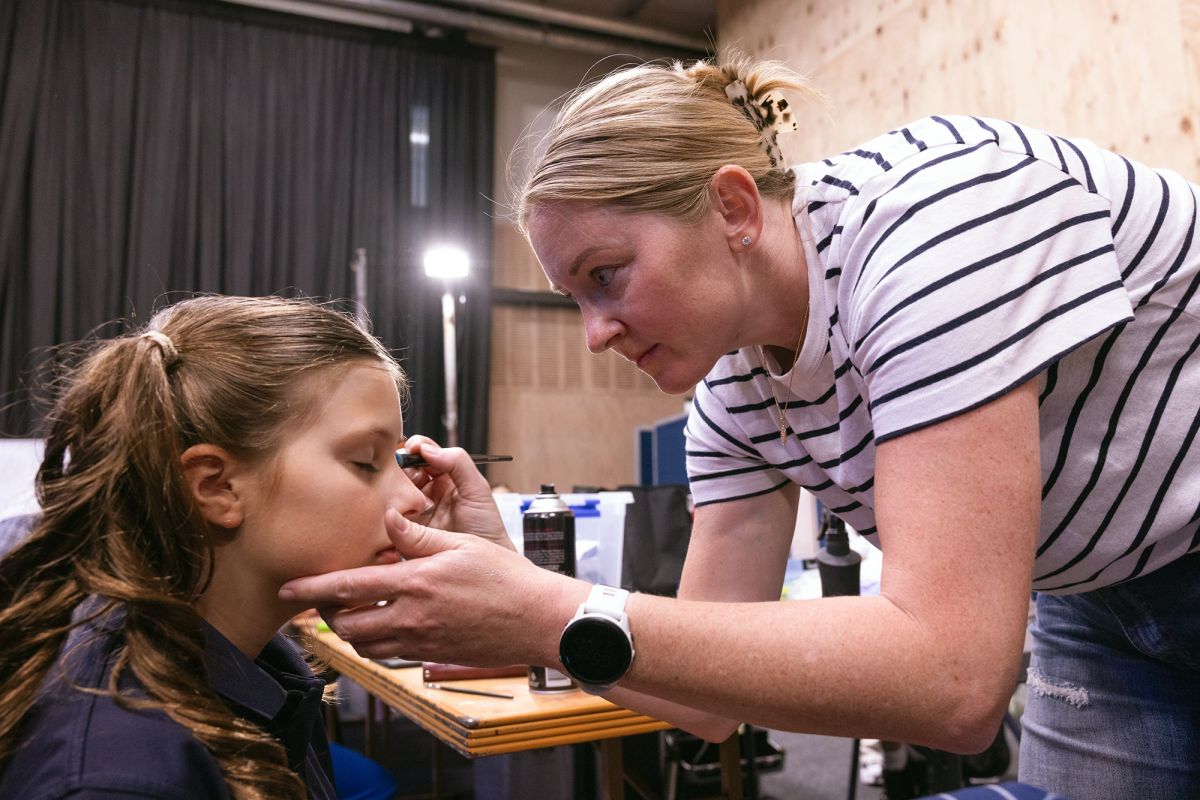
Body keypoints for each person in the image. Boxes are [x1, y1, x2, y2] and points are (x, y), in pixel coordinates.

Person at [279, 53, 1200, 800]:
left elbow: (954, 680)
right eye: (572, 300)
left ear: (731, 207)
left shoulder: (931, 233)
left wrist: (544, 609)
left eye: (606, 275)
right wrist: (523, 605)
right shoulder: (734, 388)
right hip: (1097, 593)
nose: (596, 336)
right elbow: (706, 703)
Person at [0, 295, 492, 799]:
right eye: (366, 462)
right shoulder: (119, 777)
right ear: (217, 487)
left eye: (399, 461)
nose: (413, 498)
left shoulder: (257, 661)